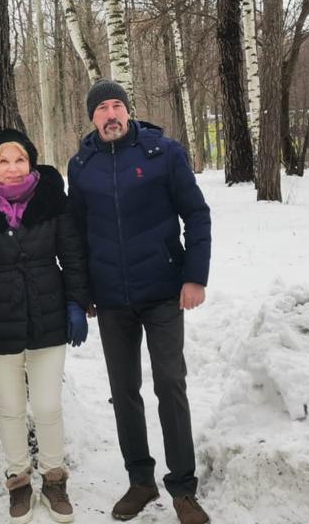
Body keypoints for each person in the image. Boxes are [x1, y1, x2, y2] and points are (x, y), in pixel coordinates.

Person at [67, 80, 212, 524]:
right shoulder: (82, 165)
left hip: (163, 289)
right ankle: (140, 480)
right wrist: (84, 293)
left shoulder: (162, 153)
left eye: (117, 106)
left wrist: (194, 275)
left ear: (128, 111)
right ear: (91, 117)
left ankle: (183, 489)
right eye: (102, 109)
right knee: (123, 390)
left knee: (170, 383)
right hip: (112, 298)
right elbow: (76, 232)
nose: (111, 115)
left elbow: (197, 213)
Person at [0, 129, 90, 524]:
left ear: (31, 162)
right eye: (4, 160)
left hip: (47, 314)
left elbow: (71, 254)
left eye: (20, 159)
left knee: (48, 405)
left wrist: (75, 303)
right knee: (11, 408)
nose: (13, 168)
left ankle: (54, 479)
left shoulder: (53, 199)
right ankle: (18, 481)